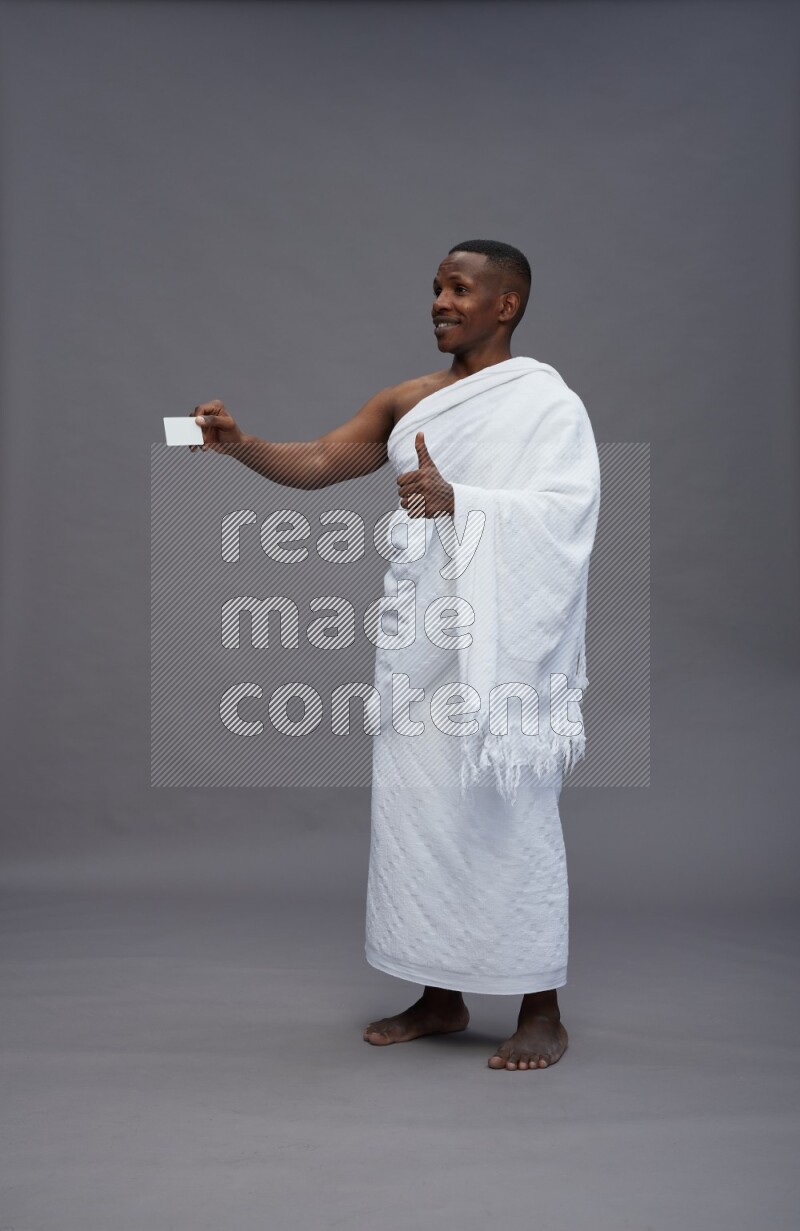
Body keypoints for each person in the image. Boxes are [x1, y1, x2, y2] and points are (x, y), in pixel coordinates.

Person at [190, 240, 600, 1071]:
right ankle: (440, 995)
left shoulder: (547, 404)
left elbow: (567, 511)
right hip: (422, 645)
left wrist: (462, 500)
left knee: (510, 813)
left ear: (507, 304)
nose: (440, 302)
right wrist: (242, 445)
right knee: (421, 819)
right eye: (437, 288)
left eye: (460, 289)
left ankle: (541, 1008)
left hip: (502, 653)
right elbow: (320, 461)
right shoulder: (408, 400)